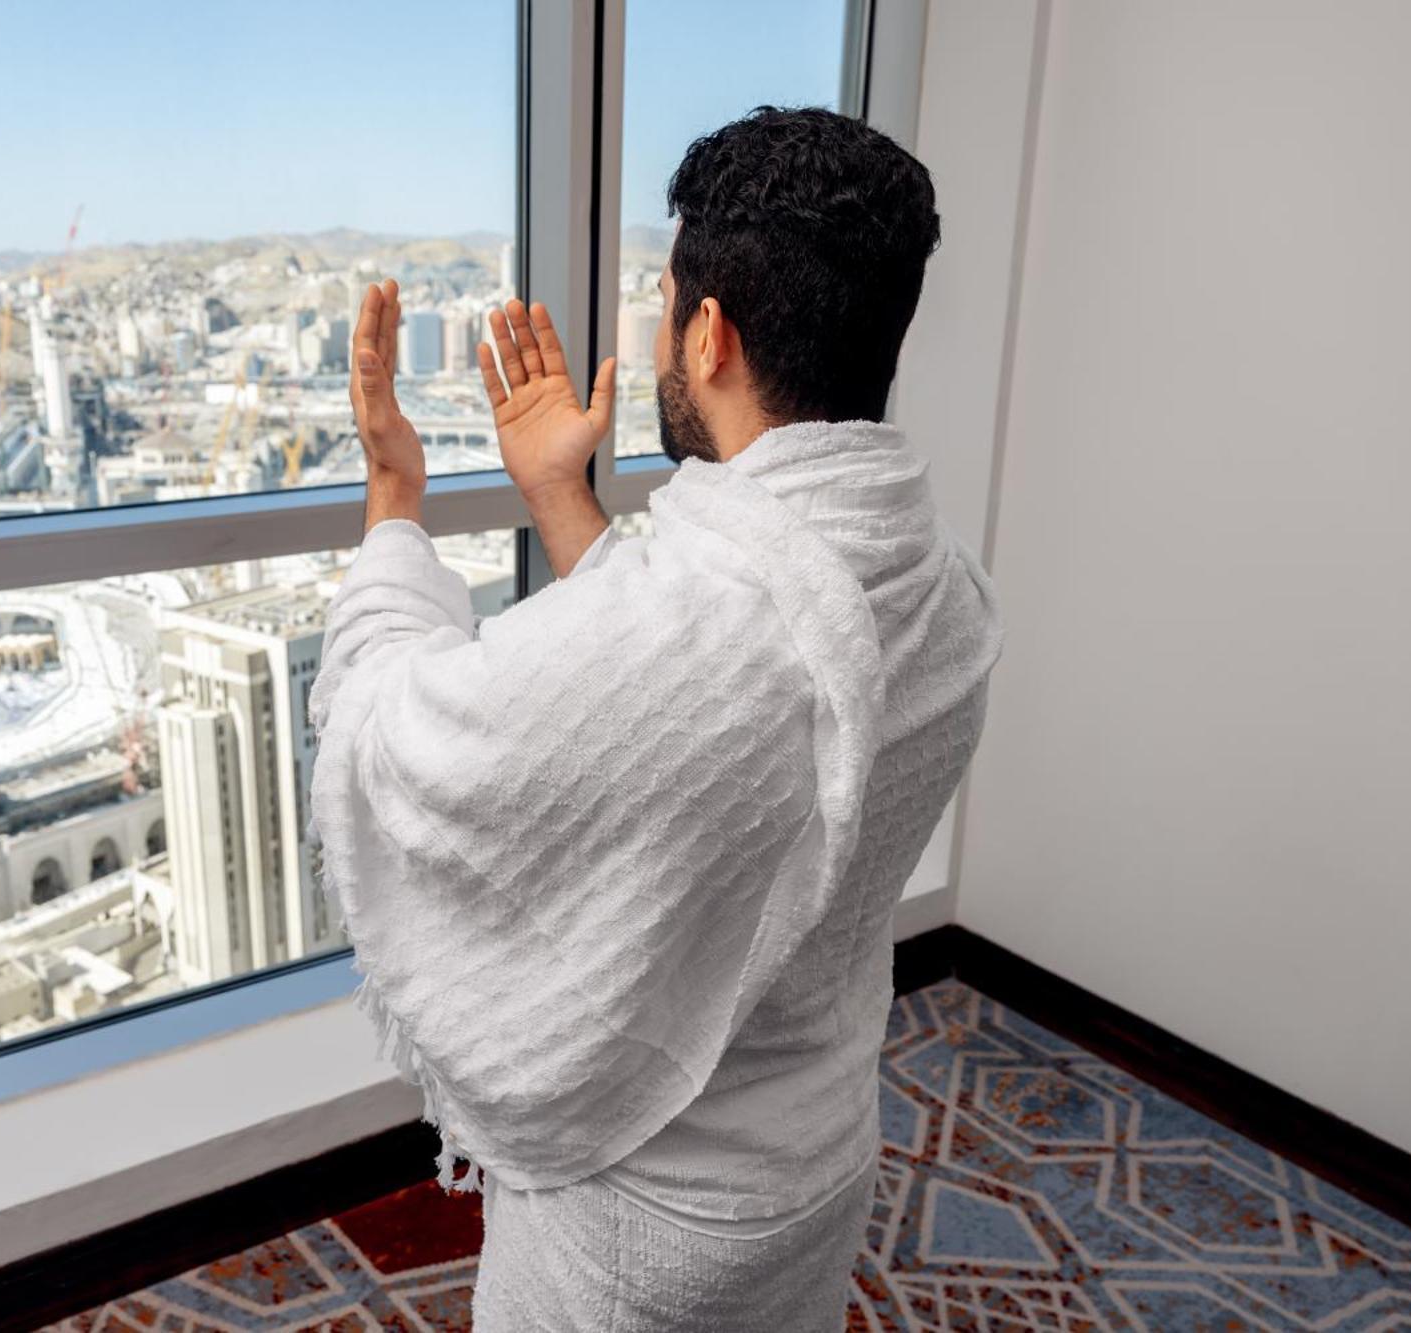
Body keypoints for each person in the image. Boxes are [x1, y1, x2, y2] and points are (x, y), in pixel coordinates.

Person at [306, 106, 1003, 1331]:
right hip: (812, 1152)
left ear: (708, 334)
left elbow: (395, 737)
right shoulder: (936, 589)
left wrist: (393, 496)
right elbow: (708, 723)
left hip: (645, 1222)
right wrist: (558, 499)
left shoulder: (717, 624)